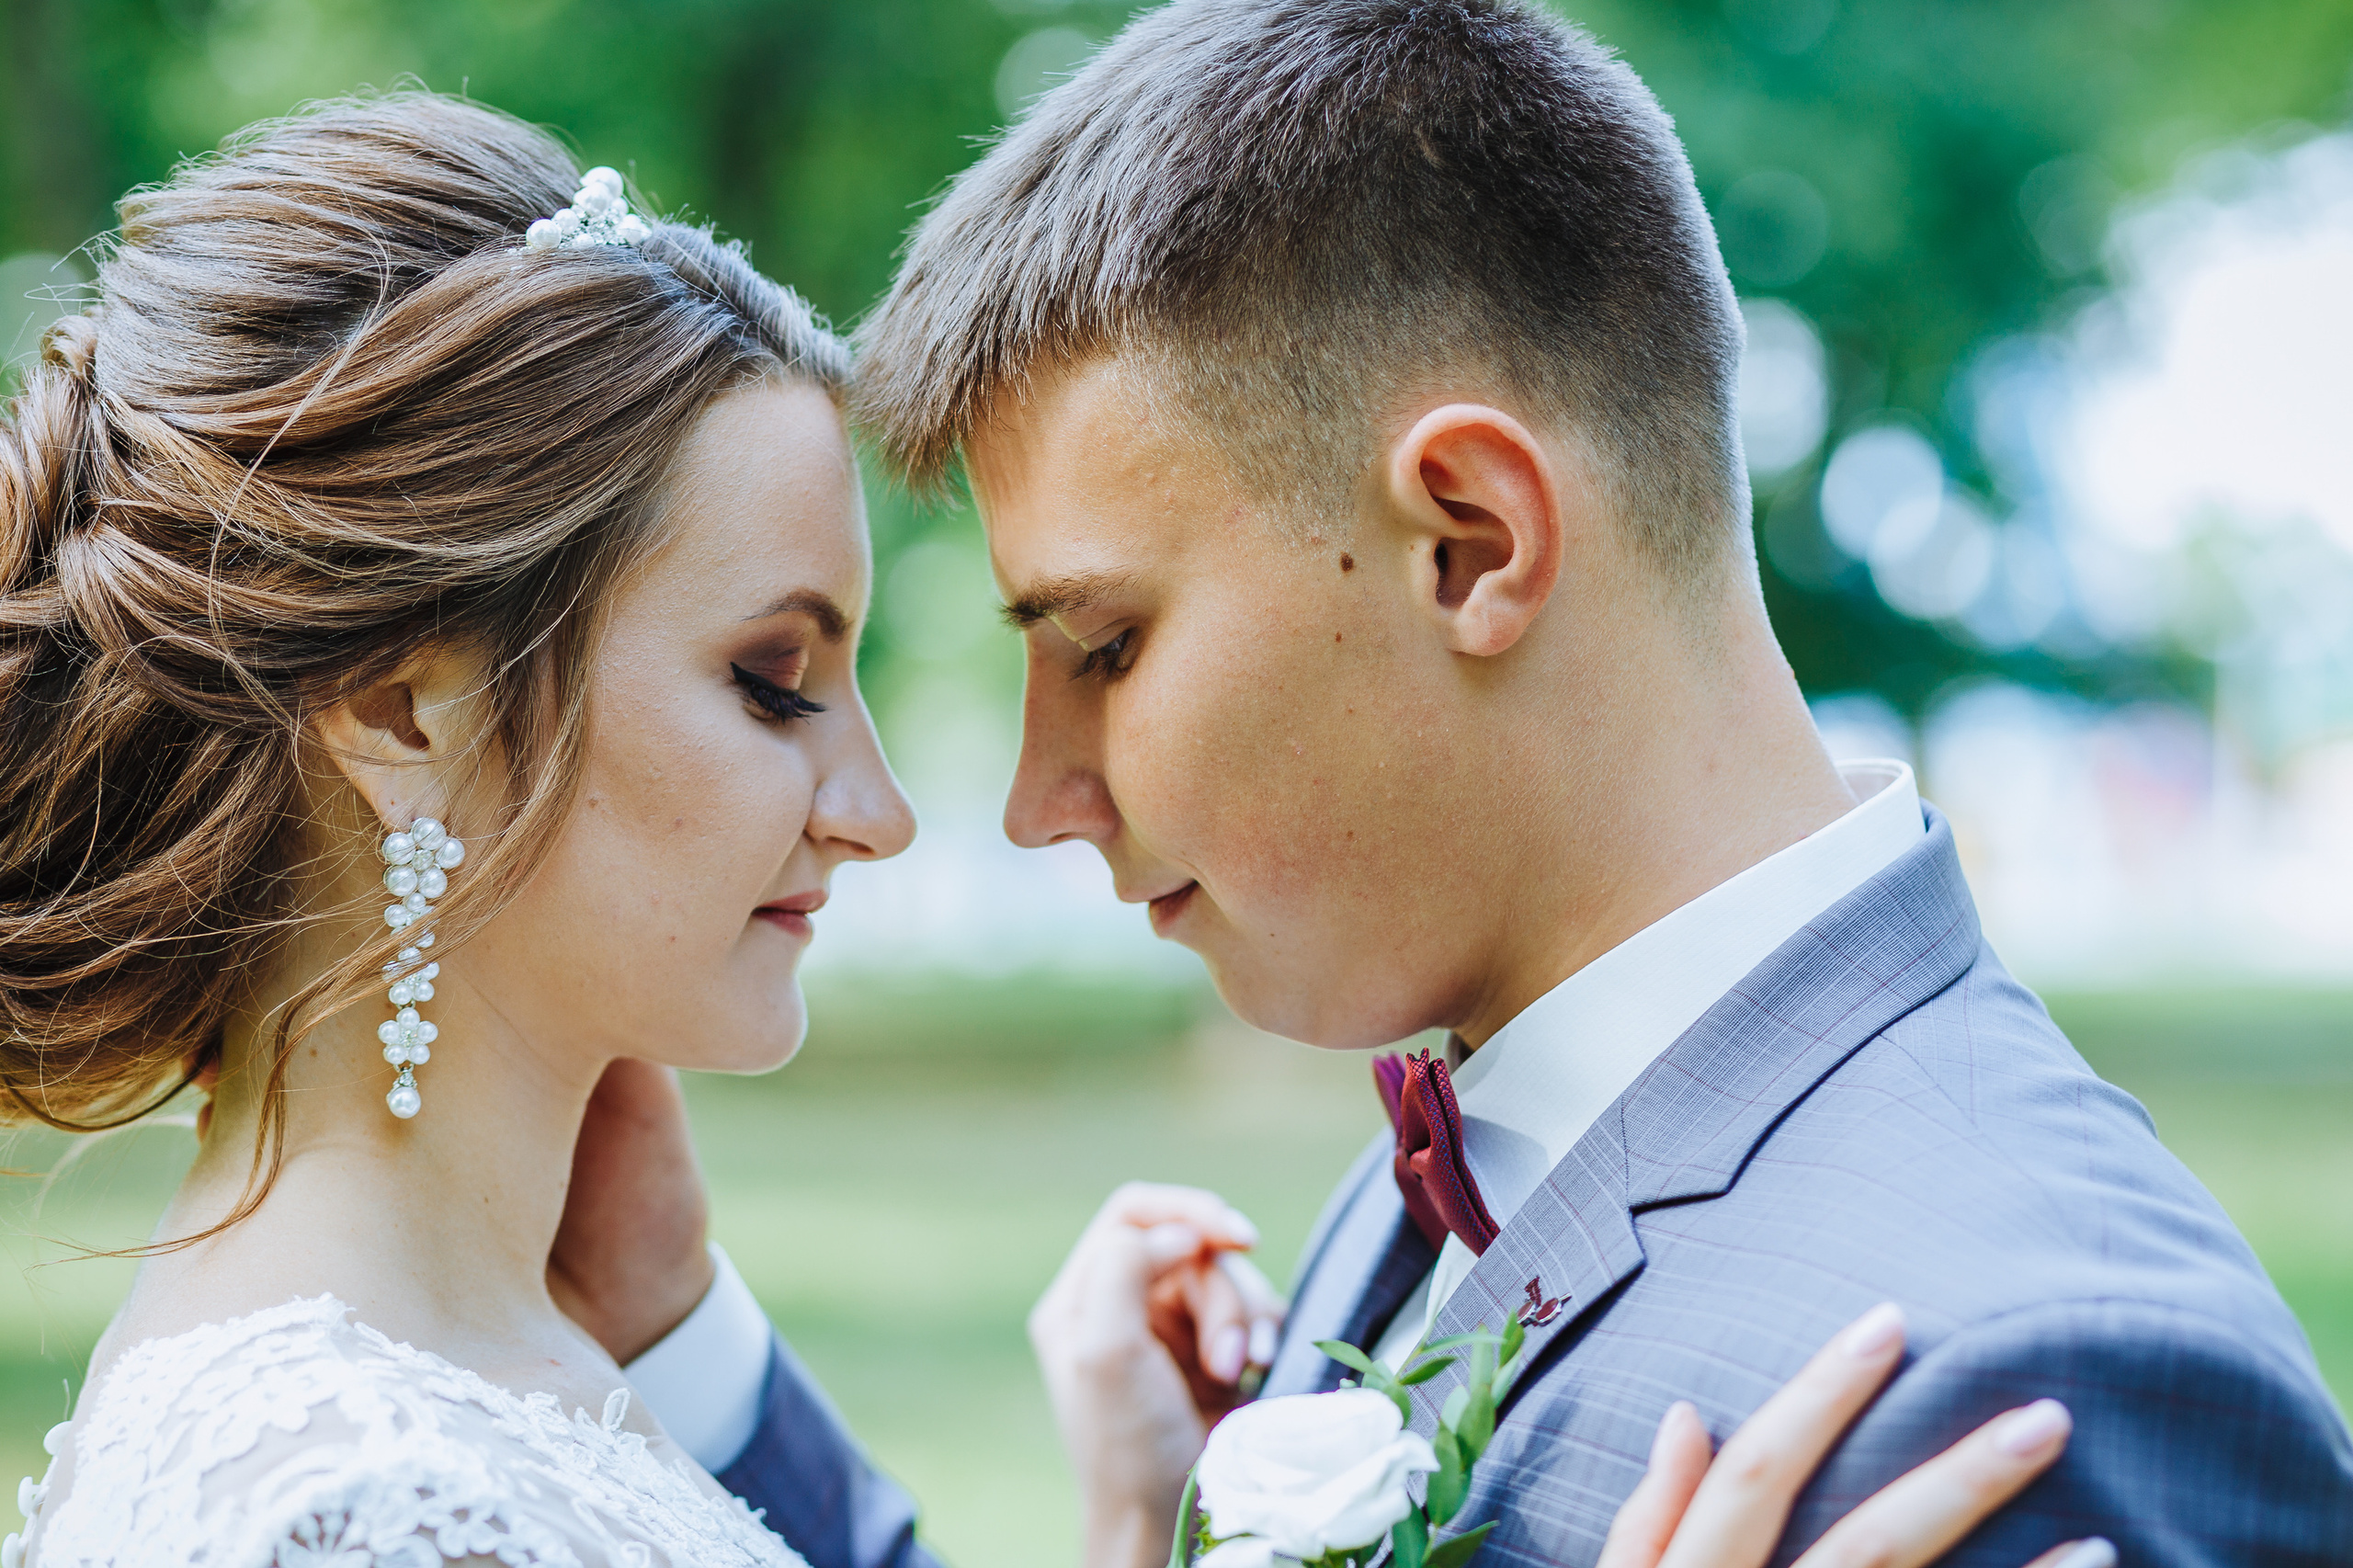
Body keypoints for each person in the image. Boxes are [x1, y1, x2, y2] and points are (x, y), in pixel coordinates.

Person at [0, 85, 2063, 1568]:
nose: (892, 810)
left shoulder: (508, 1352)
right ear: (389, 703)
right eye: (773, 681)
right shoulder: (338, 1506)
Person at [572, 0, 2353, 1564]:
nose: (1039, 795)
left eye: (1101, 646)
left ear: (1469, 542)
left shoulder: (2010, 1377)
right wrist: (677, 1332)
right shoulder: (1468, 1104)